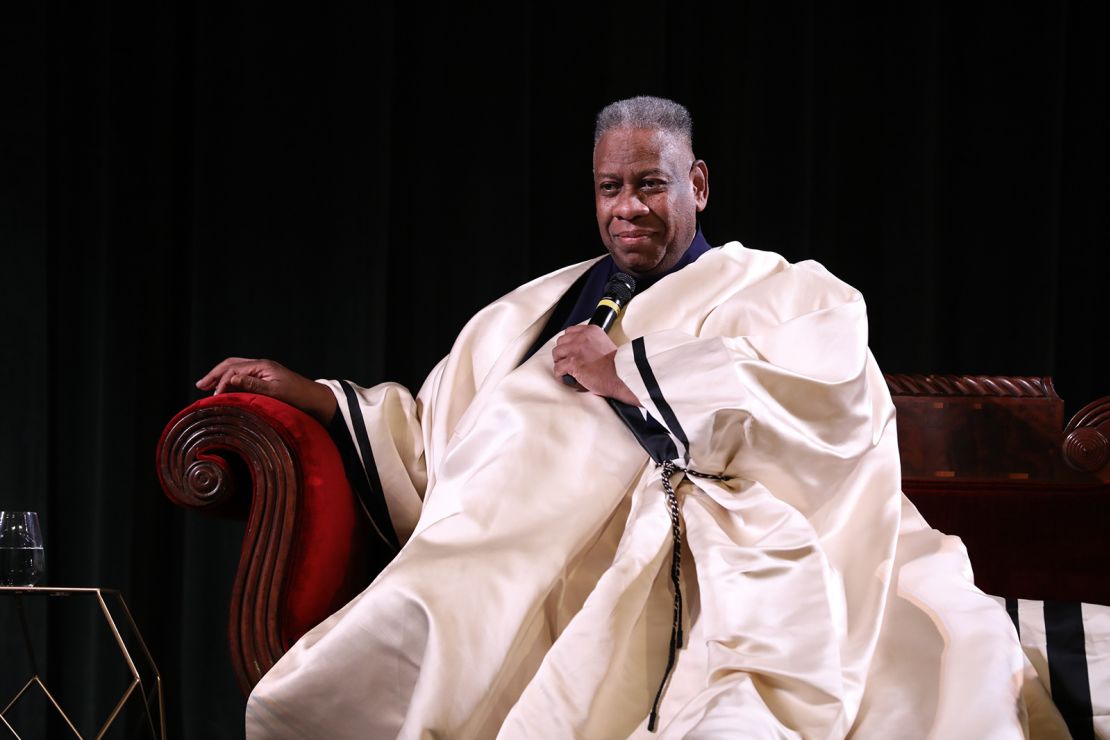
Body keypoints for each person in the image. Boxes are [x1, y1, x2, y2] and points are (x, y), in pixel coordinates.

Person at [198, 96, 1055, 738]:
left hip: (689, 543)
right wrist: (307, 392)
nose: (628, 208)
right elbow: (432, 432)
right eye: (610, 188)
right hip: (506, 541)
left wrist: (630, 374)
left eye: (650, 184)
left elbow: (823, 404)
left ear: (698, 184)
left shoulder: (786, 289)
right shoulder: (536, 305)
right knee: (410, 618)